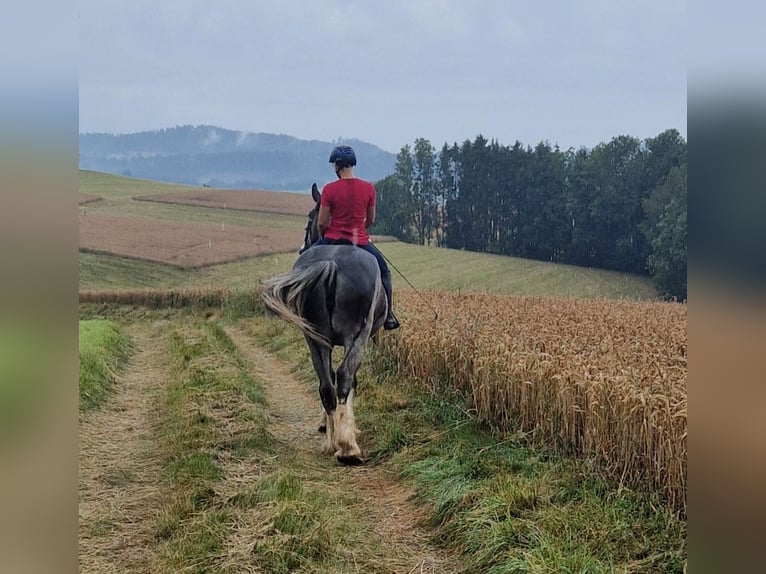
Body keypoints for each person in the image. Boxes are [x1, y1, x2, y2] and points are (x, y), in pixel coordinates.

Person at [313, 145, 400, 330]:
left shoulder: (329, 189)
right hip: (359, 241)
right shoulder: (368, 188)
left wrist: (327, 236)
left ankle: (295, 305)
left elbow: (321, 223)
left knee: (304, 261)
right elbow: (371, 219)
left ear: (337, 165)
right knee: (384, 271)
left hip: (332, 239)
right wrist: (357, 230)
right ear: (352, 164)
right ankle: (389, 315)